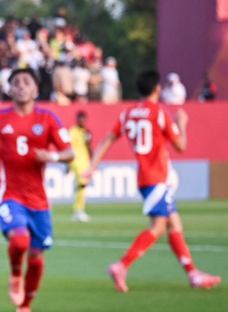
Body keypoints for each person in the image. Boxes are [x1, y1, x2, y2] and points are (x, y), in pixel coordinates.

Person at [85, 70, 221, 292]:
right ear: (157, 89)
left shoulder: (128, 113)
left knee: (174, 224)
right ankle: (122, 266)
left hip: (145, 177)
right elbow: (181, 146)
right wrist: (182, 123)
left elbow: (108, 138)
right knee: (158, 227)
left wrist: (92, 167)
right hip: (157, 177)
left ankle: (193, 274)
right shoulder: (159, 113)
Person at [0, 69, 74, 312]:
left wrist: (52, 156)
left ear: (35, 89)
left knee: (37, 256)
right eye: (16, 82)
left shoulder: (48, 119)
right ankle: (15, 275)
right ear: (9, 90)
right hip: (10, 195)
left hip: (39, 201)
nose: (21, 86)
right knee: (20, 242)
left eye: (26, 82)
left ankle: (25, 306)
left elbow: (69, 152)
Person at [68, 111, 93, 222]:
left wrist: (92, 162)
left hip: (85, 162)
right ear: (77, 120)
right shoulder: (72, 131)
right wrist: (68, 164)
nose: (82, 122)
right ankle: (79, 211)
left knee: (81, 186)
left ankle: (78, 209)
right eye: (80, 120)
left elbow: (89, 147)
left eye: (83, 120)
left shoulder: (86, 132)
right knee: (82, 184)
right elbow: (69, 147)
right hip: (76, 161)